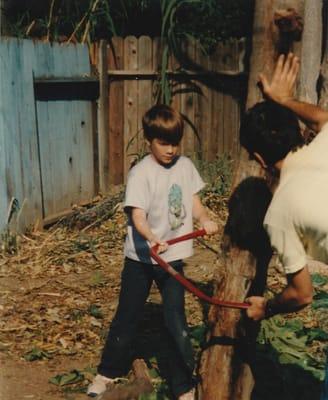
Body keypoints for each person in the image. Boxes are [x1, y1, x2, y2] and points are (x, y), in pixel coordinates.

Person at [87, 104, 218, 400]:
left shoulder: (184, 167)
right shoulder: (141, 173)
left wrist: (205, 218)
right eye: (163, 143)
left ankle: (182, 386)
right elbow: (137, 216)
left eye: (175, 143)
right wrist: (151, 238)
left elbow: (194, 200)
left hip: (172, 259)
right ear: (149, 140)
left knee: (176, 320)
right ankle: (107, 372)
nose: (171, 149)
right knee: (127, 316)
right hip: (142, 259)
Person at [240, 53, 328, 399]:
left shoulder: (279, 213)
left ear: (260, 160)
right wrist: (284, 99)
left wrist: (267, 307)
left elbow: (302, 294)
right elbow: (323, 116)